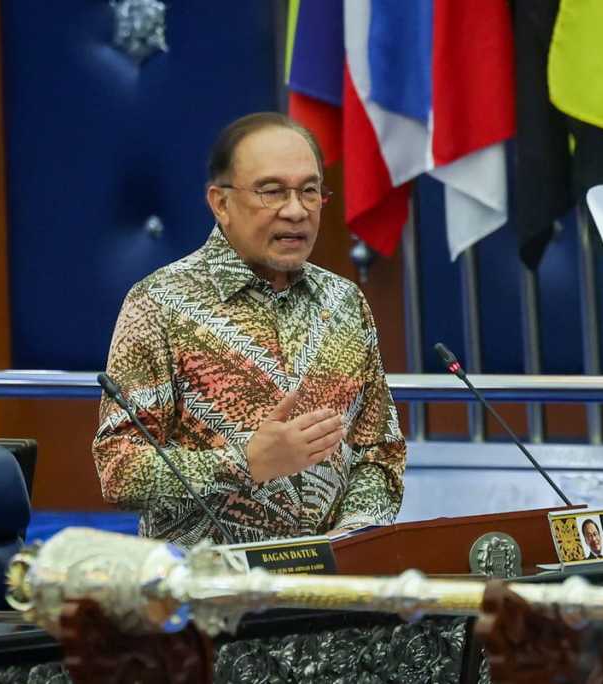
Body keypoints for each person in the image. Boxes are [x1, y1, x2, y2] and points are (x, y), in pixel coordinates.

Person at [92, 112, 406, 547]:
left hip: (333, 577)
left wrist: (352, 537)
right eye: (272, 192)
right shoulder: (160, 303)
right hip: (210, 579)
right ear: (221, 203)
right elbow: (119, 469)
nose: (296, 211)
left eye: (309, 191)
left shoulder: (344, 302)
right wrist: (246, 463)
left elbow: (380, 452)